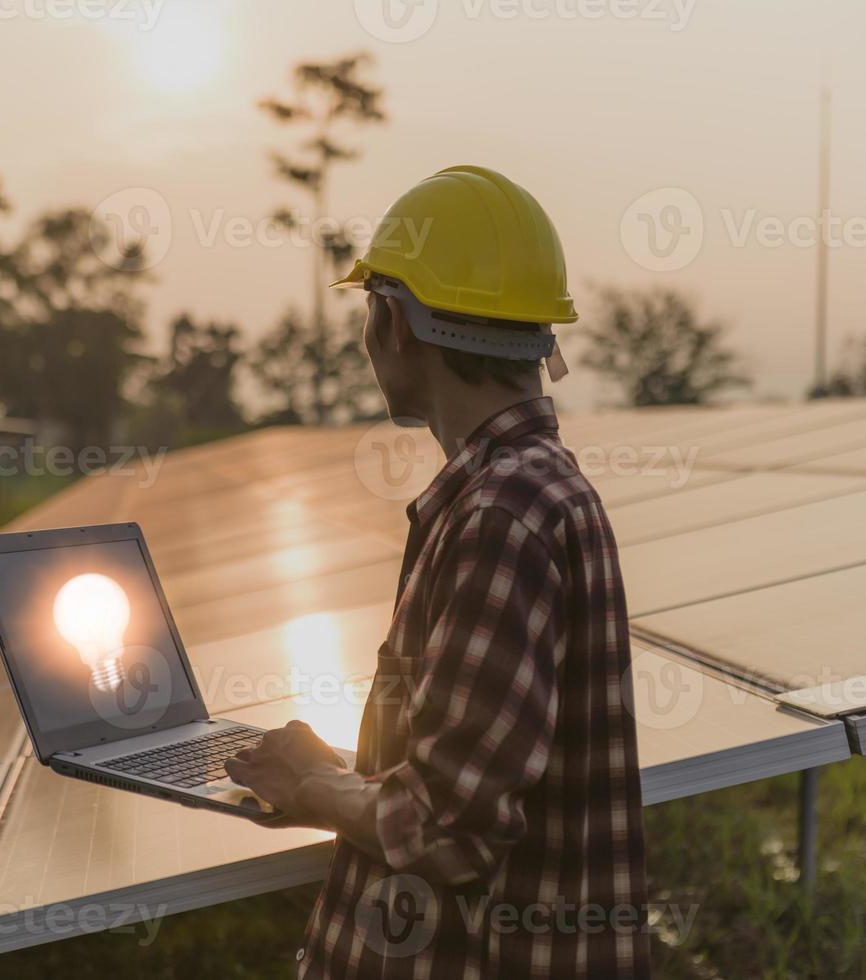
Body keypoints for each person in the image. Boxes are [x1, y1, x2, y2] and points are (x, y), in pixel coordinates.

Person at [224, 166, 650, 979]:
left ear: (392, 321)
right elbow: (475, 769)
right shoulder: (535, 491)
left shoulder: (500, 514)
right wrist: (347, 774)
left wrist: (313, 786)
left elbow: (449, 825)